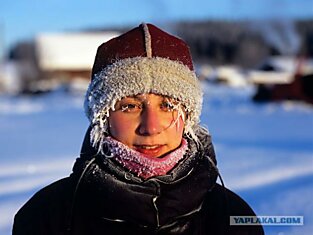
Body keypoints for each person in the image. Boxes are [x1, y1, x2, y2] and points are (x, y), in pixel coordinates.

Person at [13, 23, 264, 235]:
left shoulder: (232, 217)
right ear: (103, 117)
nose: (151, 127)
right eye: (130, 106)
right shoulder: (46, 216)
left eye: (167, 105)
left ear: (188, 116)